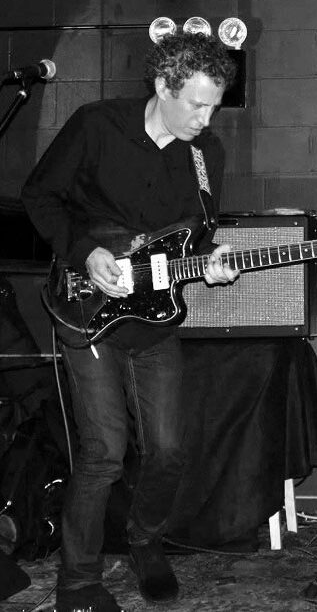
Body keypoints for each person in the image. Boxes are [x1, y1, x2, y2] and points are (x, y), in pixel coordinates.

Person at [21, 32, 240, 612]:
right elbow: (40, 195)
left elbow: (196, 238)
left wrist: (211, 264)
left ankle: (145, 540)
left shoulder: (206, 156)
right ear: (163, 86)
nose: (206, 118)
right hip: (84, 307)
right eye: (196, 104)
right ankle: (77, 584)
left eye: (214, 105)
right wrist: (84, 251)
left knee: (168, 451)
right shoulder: (97, 125)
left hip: (154, 320)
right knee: (103, 453)